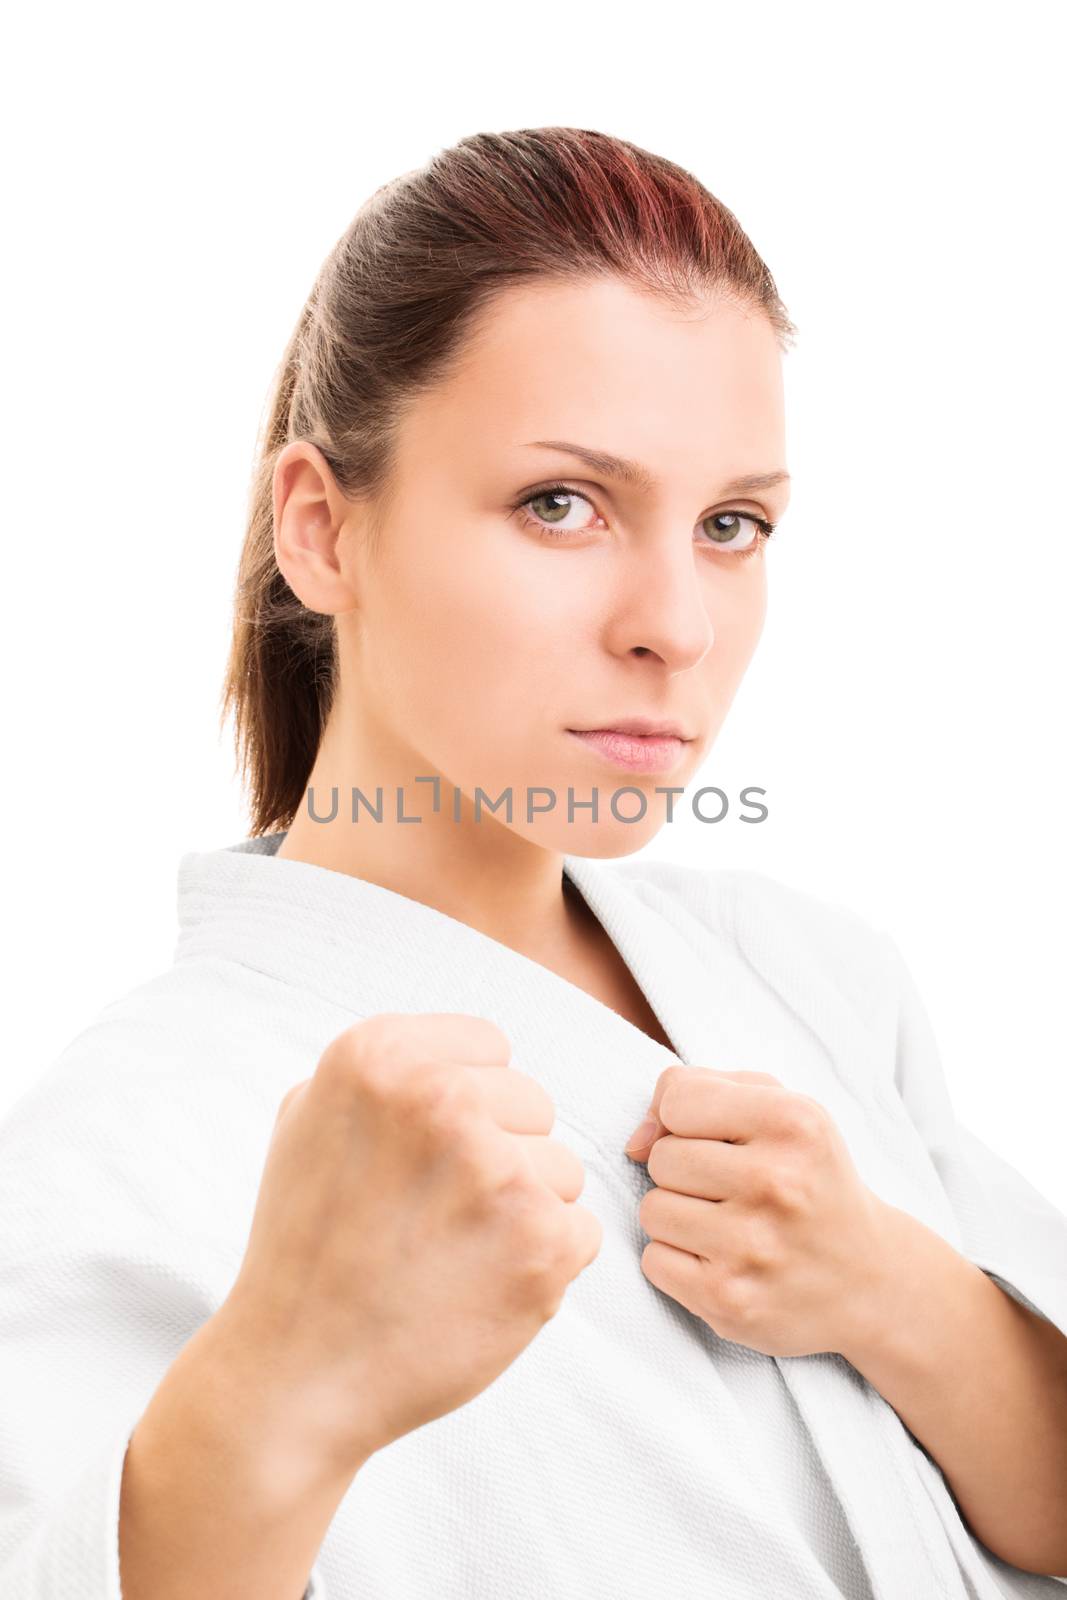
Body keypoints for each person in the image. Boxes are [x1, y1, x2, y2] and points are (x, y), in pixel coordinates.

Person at [1, 126, 1065, 1600]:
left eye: (733, 525)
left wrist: (905, 1296)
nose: (675, 625)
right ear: (321, 531)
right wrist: (270, 1396)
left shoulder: (815, 976)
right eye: (561, 504)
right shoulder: (118, 1151)